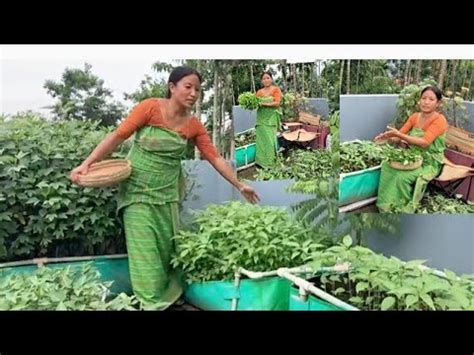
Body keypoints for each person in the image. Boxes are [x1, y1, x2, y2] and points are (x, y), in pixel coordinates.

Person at [70, 66, 260, 309]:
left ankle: (168, 298)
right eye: (187, 87)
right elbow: (117, 136)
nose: (193, 93)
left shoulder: (194, 125)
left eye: (198, 90)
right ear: (172, 87)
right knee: (144, 249)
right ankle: (151, 303)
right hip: (137, 192)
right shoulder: (149, 108)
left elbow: (214, 158)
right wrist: (86, 164)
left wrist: (239, 184)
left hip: (168, 193)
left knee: (165, 248)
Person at [374, 86, 448, 213]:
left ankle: (400, 209)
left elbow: (425, 143)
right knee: (386, 166)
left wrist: (399, 135)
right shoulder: (415, 117)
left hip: (429, 162)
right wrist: (387, 138)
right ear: (419, 100)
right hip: (412, 156)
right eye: (424, 98)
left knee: (401, 178)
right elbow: (399, 136)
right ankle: (385, 206)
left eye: (431, 99)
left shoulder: (440, 120)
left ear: (438, 103)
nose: (426, 102)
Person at [255, 71, 283, 168]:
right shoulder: (259, 92)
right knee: (261, 141)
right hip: (261, 119)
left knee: (271, 142)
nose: (266, 80)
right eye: (264, 78)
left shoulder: (276, 90)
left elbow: (277, 103)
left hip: (271, 119)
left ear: (271, 79)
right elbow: (255, 104)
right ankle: (261, 163)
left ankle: (270, 164)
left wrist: (264, 104)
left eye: (268, 78)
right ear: (262, 81)